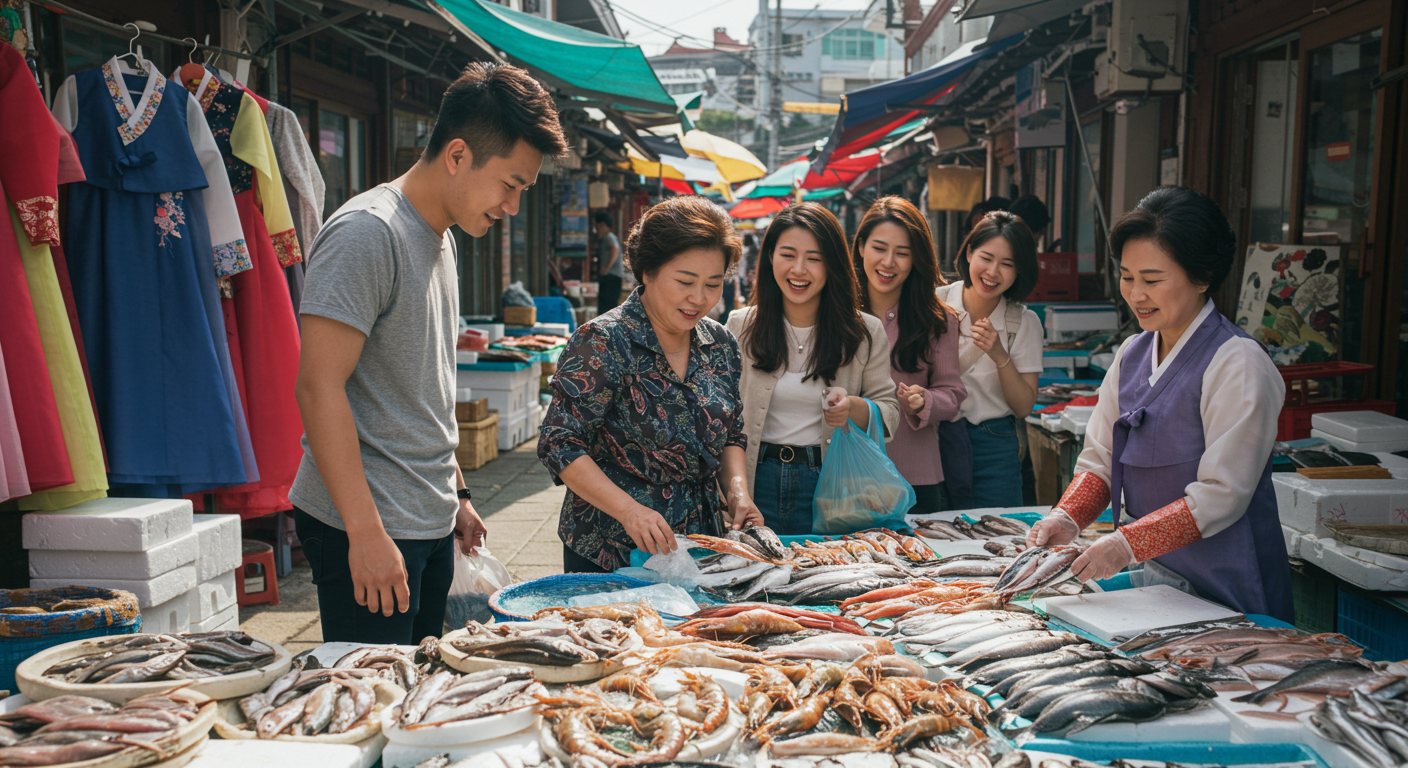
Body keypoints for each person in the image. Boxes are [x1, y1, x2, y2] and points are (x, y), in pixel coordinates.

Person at [291, 63, 565, 643]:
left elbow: (421, 386)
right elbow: (318, 387)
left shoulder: (441, 236)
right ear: (459, 155)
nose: (512, 206)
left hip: (429, 515)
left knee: (422, 692)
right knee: (369, 696)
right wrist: (364, 533)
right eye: (510, 185)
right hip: (365, 525)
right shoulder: (368, 232)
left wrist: (458, 494)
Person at [1027, 187, 1294, 621]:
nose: (1135, 294)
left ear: (1202, 276)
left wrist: (1126, 543)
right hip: (1160, 580)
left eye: (1152, 280)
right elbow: (1099, 461)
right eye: (1127, 277)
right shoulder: (1132, 352)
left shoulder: (1238, 362)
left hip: (1229, 585)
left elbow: (1221, 494)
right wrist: (1066, 517)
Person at [540, 196, 762, 573]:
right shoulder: (602, 341)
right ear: (647, 271)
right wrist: (630, 511)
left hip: (699, 543)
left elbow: (731, 434)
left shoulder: (721, 344)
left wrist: (738, 493)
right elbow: (559, 443)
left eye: (712, 284)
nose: (699, 298)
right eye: (685, 281)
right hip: (612, 546)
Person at [726, 202, 900, 534]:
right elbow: (723, 421)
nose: (799, 269)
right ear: (770, 258)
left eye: (815, 259)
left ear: (833, 264)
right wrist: (733, 491)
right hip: (754, 483)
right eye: (788, 255)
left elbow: (890, 412)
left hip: (831, 484)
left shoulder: (865, 331)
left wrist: (853, 407)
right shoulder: (740, 326)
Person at [853, 197, 966, 515]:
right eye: (879, 248)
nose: (889, 262)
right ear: (861, 247)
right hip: (844, 474)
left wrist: (924, 400)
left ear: (916, 259)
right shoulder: (836, 313)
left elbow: (953, 393)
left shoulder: (938, 319)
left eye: (902, 253)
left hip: (915, 477)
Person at [936, 212, 1043, 509]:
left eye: (1007, 264)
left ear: (1020, 270)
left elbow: (1023, 406)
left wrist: (999, 354)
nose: (993, 272)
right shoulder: (933, 305)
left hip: (994, 447)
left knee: (997, 540)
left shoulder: (1023, 322)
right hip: (933, 439)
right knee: (929, 539)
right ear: (969, 252)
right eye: (986, 257)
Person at [595, 212, 623, 313]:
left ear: (603, 225)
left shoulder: (609, 237)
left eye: (598, 226)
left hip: (611, 276)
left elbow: (614, 249)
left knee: (607, 306)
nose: (597, 229)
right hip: (611, 276)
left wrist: (606, 268)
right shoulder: (606, 238)